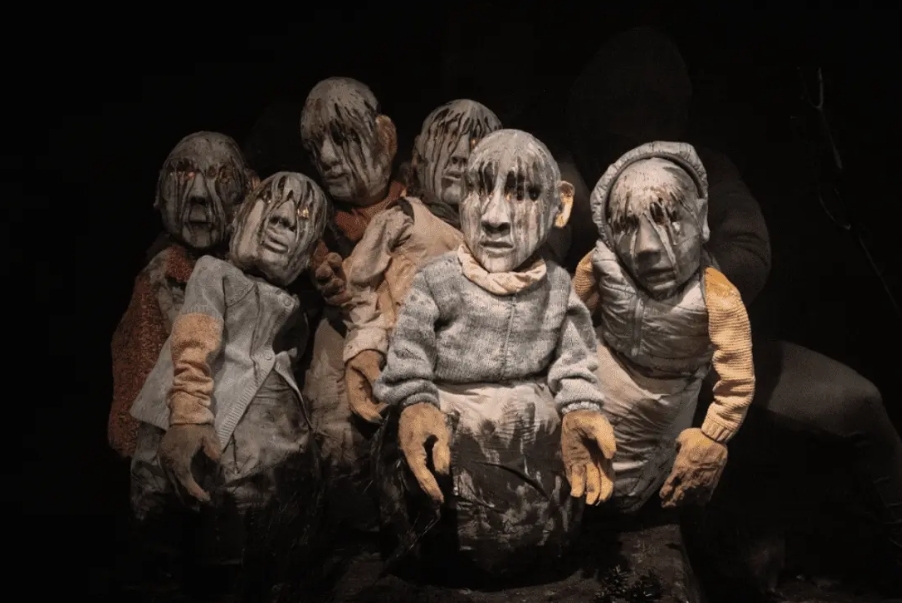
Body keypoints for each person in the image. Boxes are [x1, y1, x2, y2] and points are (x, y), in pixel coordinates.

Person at [566, 25, 902, 595]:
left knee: (857, 402)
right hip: (607, 374)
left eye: (658, 102)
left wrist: (682, 287)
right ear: (594, 105)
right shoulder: (568, 174)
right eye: (626, 99)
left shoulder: (702, 170)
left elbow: (750, 247)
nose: (642, 114)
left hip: (710, 355)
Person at [372, 129, 617, 577]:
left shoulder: (557, 290)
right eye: (479, 189)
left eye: (522, 194)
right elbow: (409, 351)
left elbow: (575, 359)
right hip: (449, 445)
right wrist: (415, 401)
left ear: (560, 207)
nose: (494, 217)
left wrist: (580, 407)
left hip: (530, 454)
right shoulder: (437, 280)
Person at [127, 171, 330, 600]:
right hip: (199, 435)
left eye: (302, 215)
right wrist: (188, 414)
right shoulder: (214, 273)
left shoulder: (295, 305)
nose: (284, 218)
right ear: (241, 215)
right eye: (270, 202)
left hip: (255, 473)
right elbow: (195, 335)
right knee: (171, 552)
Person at [573, 141, 754, 513]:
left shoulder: (716, 296)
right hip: (594, 382)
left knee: (620, 494)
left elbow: (737, 380)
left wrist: (713, 435)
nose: (646, 247)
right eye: (627, 225)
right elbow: (571, 321)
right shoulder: (600, 265)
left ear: (701, 220)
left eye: (669, 217)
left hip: (660, 407)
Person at [108, 131, 257, 459]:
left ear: (250, 189)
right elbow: (132, 412)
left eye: (221, 176)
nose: (199, 194)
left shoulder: (262, 266)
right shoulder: (159, 279)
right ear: (159, 192)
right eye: (184, 174)